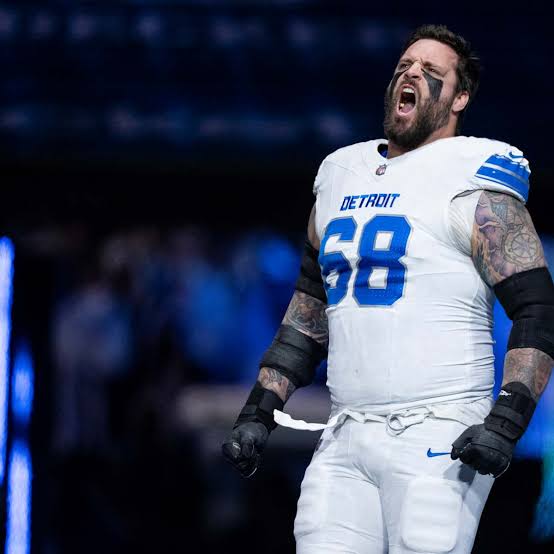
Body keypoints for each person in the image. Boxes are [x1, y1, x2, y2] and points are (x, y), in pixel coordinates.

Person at [222, 24, 554, 553]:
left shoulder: (473, 179)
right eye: (404, 66)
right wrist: (259, 410)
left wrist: (507, 420)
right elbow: (309, 312)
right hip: (347, 429)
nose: (411, 73)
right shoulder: (341, 176)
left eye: (430, 70)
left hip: (438, 427)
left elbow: (537, 310)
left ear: (460, 98)